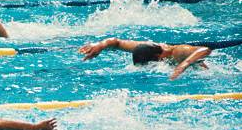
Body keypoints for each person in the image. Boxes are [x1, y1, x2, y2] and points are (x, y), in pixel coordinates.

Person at [78, 38, 212, 80]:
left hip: (206, 75)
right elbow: (116, 42)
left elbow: (205, 49)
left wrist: (183, 65)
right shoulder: (142, 47)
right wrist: (100, 45)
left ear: (157, 58)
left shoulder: (178, 52)